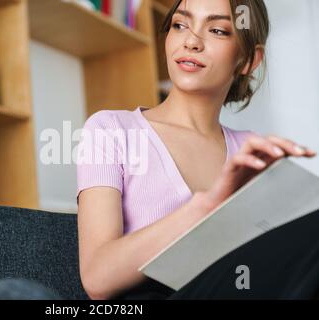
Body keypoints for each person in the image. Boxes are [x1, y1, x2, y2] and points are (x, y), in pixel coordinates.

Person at [76, 0, 318, 300]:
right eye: (179, 25)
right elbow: (98, 278)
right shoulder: (111, 130)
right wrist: (205, 207)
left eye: (217, 30)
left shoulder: (251, 150)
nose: (191, 41)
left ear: (247, 60)